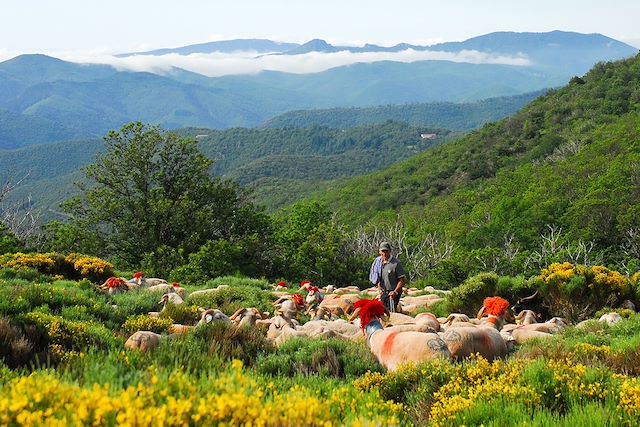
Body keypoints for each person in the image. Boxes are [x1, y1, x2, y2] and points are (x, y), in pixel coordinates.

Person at [369, 241, 406, 312]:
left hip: (393, 292)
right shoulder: (378, 263)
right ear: (380, 252)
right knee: (382, 312)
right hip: (384, 292)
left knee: (391, 312)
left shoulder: (396, 263)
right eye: (383, 251)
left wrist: (395, 292)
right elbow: (377, 277)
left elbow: (402, 280)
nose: (384, 253)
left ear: (390, 251)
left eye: (386, 251)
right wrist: (379, 287)